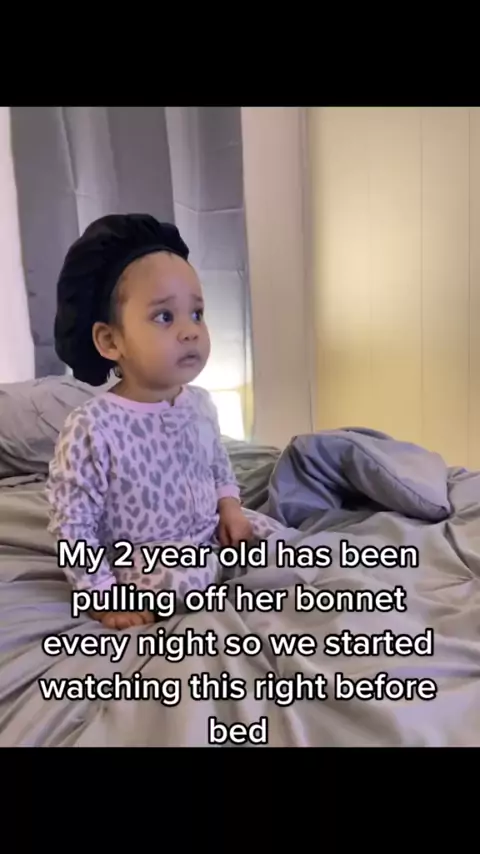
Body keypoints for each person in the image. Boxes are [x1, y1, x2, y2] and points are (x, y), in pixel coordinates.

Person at [46, 214, 285, 629]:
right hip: (149, 555)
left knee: (279, 540)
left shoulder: (201, 404)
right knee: (182, 581)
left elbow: (218, 466)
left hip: (209, 532)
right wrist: (102, 595)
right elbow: (73, 525)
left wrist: (230, 507)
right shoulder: (93, 427)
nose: (190, 331)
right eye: (164, 317)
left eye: (197, 313)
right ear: (110, 340)